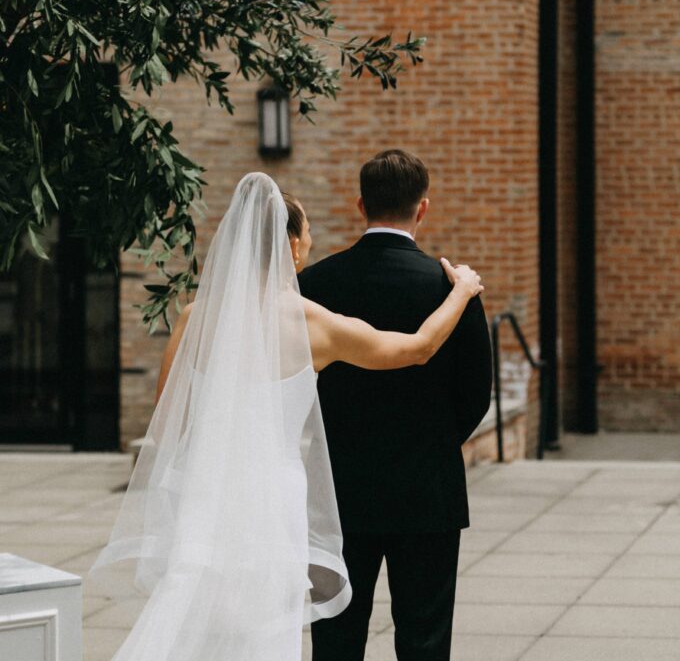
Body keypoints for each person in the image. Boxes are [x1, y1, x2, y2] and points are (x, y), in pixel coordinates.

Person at [91, 172, 483, 661]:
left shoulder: (195, 318)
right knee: (264, 626)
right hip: (272, 496)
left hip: (208, 488)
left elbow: (168, 411)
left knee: (193, 608)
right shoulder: (308, 322)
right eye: (310, 234)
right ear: (292, 246)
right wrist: (462, 291)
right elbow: (418, 349)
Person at [298, 149, 493, 661]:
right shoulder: (450, 288)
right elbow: (476, 391)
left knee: (337, 637)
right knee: (425, 637)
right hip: (428, 488)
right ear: (422, 208)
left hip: (339, 486)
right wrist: (431, 441)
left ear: (361, 204)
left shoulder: (314, 284)